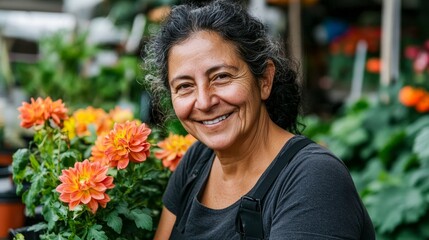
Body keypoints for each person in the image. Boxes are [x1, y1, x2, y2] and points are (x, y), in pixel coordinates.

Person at [145, 0, 375, 239]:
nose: (204, 102)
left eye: (221, 77)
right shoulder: (197, 163)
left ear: (264, 80)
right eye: (185, 86)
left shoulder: (314, 179)